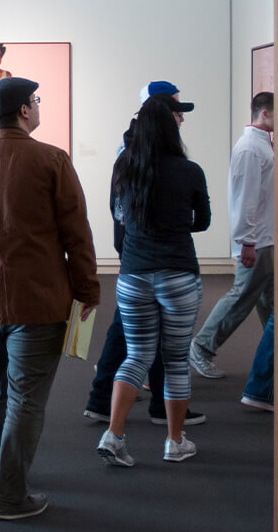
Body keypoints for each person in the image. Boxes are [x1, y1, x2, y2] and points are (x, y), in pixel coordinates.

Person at [0, 75, 99, 520]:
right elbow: (76, 233)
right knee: (26, 396)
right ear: (25, 111)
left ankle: (7, 468)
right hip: (38, 300)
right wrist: (87, 289)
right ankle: (10, 494)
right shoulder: (52, 160)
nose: (38, 105)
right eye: (36, 99)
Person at [82, 82, 205, 428]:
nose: (182, 118)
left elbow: (118, 212)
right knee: (160, 346)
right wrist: (172, 227)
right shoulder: (179, 167)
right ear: (163, 118)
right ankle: (168, 433)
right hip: (160, 261)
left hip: (136, 261)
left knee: (136, 344)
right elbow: (201, 219)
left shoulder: (128, 157)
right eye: (178, 111)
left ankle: (114, 419)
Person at [188, 91, 275, 380]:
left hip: (265, 238)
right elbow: (245, 199)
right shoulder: (251, 148)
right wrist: (246, 241)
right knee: (242, 297)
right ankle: (201, 347)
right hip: (257, 240)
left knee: (270, 302)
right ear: (264, 113)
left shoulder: (262, 146)